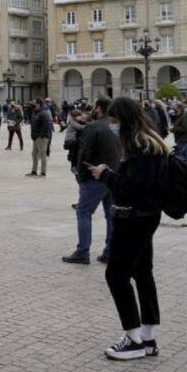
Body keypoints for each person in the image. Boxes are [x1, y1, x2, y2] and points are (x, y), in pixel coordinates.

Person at [85, 96, 167, 361]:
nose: (112, 125)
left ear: (124, 119)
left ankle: (133, 339)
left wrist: (106, 175)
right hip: (147, 215)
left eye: (114, 120)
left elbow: (131, 189)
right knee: (143, 273)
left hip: (133, 218)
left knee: (116, 276)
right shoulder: (152, 139)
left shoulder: (139, 146)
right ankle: (148, 336)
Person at [63, 97, 118, 265]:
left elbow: (84, 153)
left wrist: (82, 175)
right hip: (114, 175)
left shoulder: (94, 127)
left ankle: (82, 251)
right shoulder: (115, 126)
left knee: (84, 212)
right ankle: (110, 251)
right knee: (111, 215)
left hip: (96, 176)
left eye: (94, 106)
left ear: (99, 108)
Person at [27, 101, 52, 177]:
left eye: (35, 103)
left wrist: (41, 135)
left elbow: (47, 125)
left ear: (39, 104)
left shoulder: (44, 113)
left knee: (42, 154)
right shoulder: (36, 112)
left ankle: (43, 172)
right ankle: (34, 171)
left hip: (42, 137)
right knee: (34, 154)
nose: (33, 105)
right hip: (35, 137)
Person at [171, 102, 187, 167]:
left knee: (180, 155)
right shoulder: (179, 116)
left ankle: (185, 168)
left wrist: (173, 129)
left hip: (183, 138)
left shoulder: (185, 116)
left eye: (176, 109)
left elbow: (184, 128)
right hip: (180, 138)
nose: (174, 111)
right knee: (184, 155)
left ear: (180, 109)